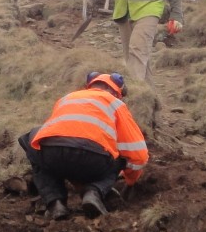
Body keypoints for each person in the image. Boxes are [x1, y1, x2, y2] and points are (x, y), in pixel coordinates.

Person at [19, 72, 149, 219]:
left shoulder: (66, 98)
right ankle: (94, 192)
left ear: (89, 86)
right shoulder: (115, 103)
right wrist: (130, 179)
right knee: (119, 157)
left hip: (53, 154)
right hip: (94, 159)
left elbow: (66, 144)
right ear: (117, 92)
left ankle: (55, 202)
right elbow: (139, 155)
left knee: (35, 147)